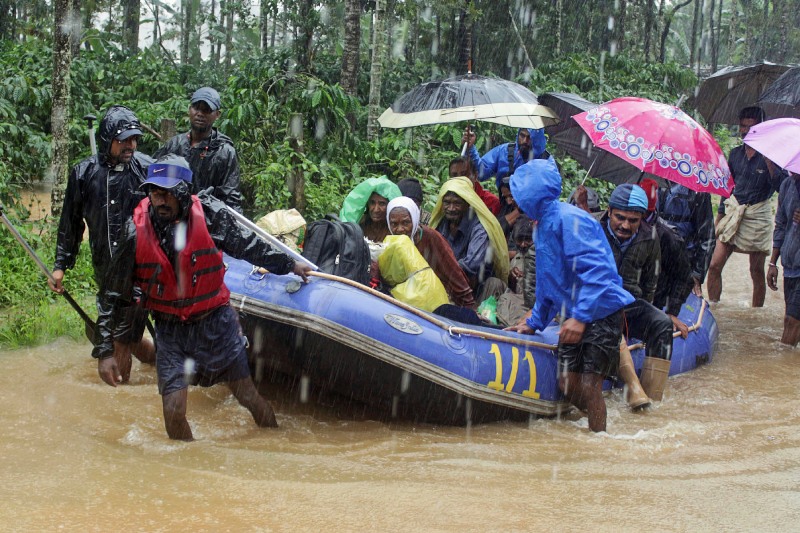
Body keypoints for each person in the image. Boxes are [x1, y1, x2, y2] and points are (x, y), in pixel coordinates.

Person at [92, 155, 312, 440]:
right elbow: (113, 293)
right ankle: (186, 472)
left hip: (215, 323)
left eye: (168, 193)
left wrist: (290, 265)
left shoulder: (208, 215)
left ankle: (276, 439)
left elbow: (247, 245)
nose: (161, 201)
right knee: (173, 412)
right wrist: (105, 351)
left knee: (248, 397)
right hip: (170, 329)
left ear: (184, 191)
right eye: (155, 193)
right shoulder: (134, 231)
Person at [505, 159, 634, 433]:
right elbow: (547, 280)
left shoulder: (570, 220)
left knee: (589, 383)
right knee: (566, 382)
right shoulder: (541, 225)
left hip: (601, 312)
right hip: (575, 314)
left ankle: (599, 441)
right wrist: (535, 321)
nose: (514, 201)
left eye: (518, 194)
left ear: (531, 195)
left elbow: (598, 274)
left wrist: (580, 318)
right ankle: (600, 421)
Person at [49, 105, 156, 375]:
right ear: (108, 139)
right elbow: (70, 224)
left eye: (134, 139)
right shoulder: (83, 174)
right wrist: (61, 265)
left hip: (141, 273)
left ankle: (118, 399)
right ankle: (167, 364)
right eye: (124, 140)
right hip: (104, 269)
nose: (131, 145)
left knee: (119, 339)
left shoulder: (147, 169)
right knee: (128, 338)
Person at [600, 184, 675, 401]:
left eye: (633, 220)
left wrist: (650, 309)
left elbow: (652, 280)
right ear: (609, 211)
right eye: (619, 218)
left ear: (642, 218)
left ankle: (651, 396)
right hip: (598, 302)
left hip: (631, 303)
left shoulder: (650, 236)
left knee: (662, 323)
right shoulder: (593, 228)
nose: (624, 225)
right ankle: (632, 388)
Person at [708, 106, 788, 306]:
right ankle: (714, 306)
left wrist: (770, 162)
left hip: (757, 214)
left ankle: (756, 313)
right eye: (742, 126)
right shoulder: (735, 154)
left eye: (750, 127)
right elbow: (727, 188)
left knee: (755, 270)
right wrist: (719, 218)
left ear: (760, 128)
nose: (745, 131)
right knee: (715, 265)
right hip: (733, 211)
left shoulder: (772, 156)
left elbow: (781, 188)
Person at [153, 87, 242, 212]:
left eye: (206, 110)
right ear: (189, 109)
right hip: (172, 217)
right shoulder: (174, 144)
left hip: (207, 221)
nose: (200, 114)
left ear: (217, 114)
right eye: (196, 108)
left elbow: (231, 199)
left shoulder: (224, 152)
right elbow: (154, 179)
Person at [386, 197, 476, 309]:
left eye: (406, 222)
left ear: (414, 220)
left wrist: (470, 307)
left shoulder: (431, 238)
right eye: (394, 224)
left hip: (435, 300)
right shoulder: (390, 242)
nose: (400, 229)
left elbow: (453, 273)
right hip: (402, 302)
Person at [429, 177, 509, 296]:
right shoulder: (441, 224)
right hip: (446, 281)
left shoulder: (479, 227)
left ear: (467, 204)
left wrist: (442, 268)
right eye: (446, 202)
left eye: (457, 203)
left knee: (493, 283)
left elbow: (471, 265)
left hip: (475, 286)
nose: (451, 208)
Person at [639, 178, 693, 338]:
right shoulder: (620, 228)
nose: (626, 224)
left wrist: (672, 312)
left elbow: (683, 277)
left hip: (656, 298)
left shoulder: (668, 237)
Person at [658, 183, 716, 297]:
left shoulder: (699, 193)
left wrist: (697, 275)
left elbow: (707, 238)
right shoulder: (655, 186)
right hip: (658, 258)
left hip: (686, 262)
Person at [462, 127, 551, 191]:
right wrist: (470, 148)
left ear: (537, 140)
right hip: (505, 208)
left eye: (529, 138)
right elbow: (482, 173)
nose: (524, 141)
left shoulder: (546, 161)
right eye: (522, 136)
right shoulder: (505, 151)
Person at [767, 172, 800, 345]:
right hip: (790, 262)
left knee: (793, 321)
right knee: (789, 318)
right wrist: (773, 262)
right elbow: (780, 225)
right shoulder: (787, 185)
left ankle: (782, 357)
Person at [339, 176, 401, 243]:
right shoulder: (361, 224)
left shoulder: (394, 228)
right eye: (372, 203)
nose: (376, 209)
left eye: (382, 204)